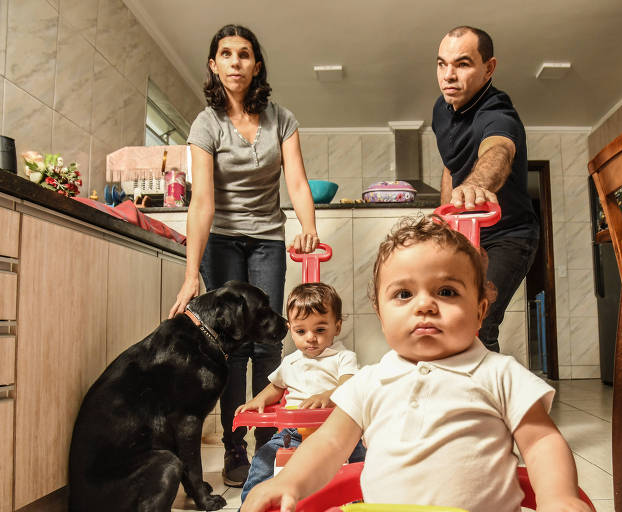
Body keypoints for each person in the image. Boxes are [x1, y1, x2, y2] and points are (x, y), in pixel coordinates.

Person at [240, 216, 589, 512]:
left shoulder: (501, 374)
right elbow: (328, 445)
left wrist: (558, 496)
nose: (424, 305)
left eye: (447, 292)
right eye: (403, 294)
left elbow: (542, 441)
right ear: (380, 313)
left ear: (481, 310)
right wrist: (287, 483)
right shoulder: (369, 382)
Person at [167, 24, 320, 487]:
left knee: (269, 341)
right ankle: (236, 446)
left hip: (268, 238)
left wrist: (308, 225)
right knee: (231, 347)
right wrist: (192, 275)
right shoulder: (205, 123)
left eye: (245, 54)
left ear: (257, 66)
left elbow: (296, 181)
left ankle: (268, 444)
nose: (236, 62)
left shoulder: (282, 119)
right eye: (226, 54)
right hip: (223, 239)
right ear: (215, 65)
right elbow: (203, 202)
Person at [432, 26, 539, 353]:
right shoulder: (441, 109)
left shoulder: (497, 111)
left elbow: (499, 151)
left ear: (488, 68)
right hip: (464, 233)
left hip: (509, 236)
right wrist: (445, 219)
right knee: (444, 317)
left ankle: (483, 402)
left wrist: (477, 185)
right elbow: (451, 165)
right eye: (441, 64)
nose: (448, 75)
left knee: (477, 319)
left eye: (462, 64)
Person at [236, 282, 365, 504]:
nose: (311, 337)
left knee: (362, 465)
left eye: (320, 330)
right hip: (292, 434)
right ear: (290, 328)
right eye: (301, 331)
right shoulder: (290, 362)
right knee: (262, 461)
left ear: (338, 326)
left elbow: (350, 384)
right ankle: (250, 504)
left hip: (337, 429)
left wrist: (328, 396)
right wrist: (258, 400)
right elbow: (276, 387)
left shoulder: (343, 357)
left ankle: (360, 503)